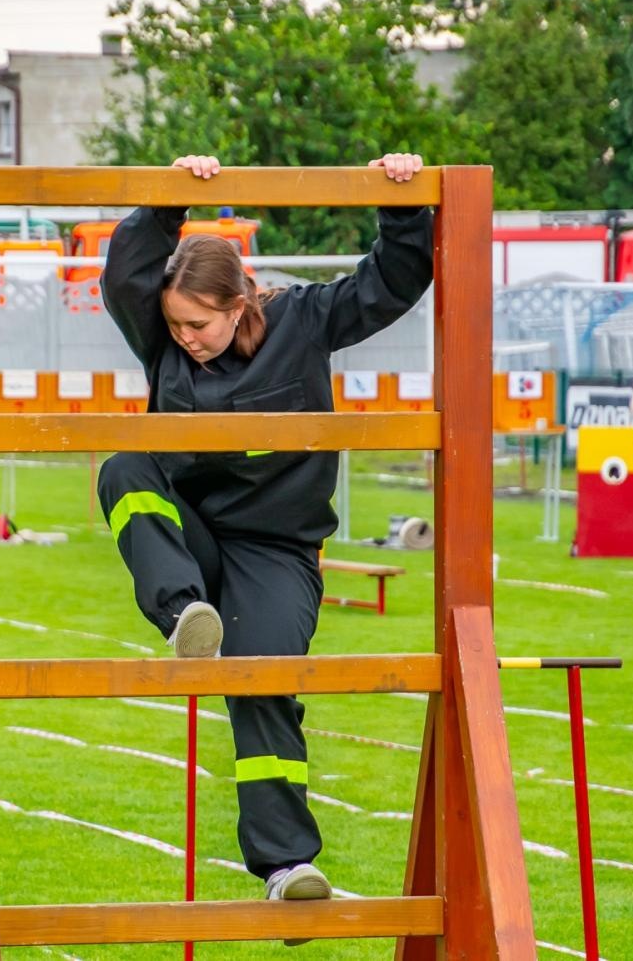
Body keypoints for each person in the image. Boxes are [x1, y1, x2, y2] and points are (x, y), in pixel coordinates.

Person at [96, 153, 431, 915]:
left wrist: (403, 201)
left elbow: (392, 284)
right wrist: (167, 203)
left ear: (242, 300)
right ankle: (183, 613)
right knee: (123, 466)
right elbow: (125, 276)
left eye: (199, 323)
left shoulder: (304, 320)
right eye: (174, 323)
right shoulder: (159, 337)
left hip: (275, 549)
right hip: (192, 538)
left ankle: (286, 866)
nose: (185, 338)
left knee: (266, 679)